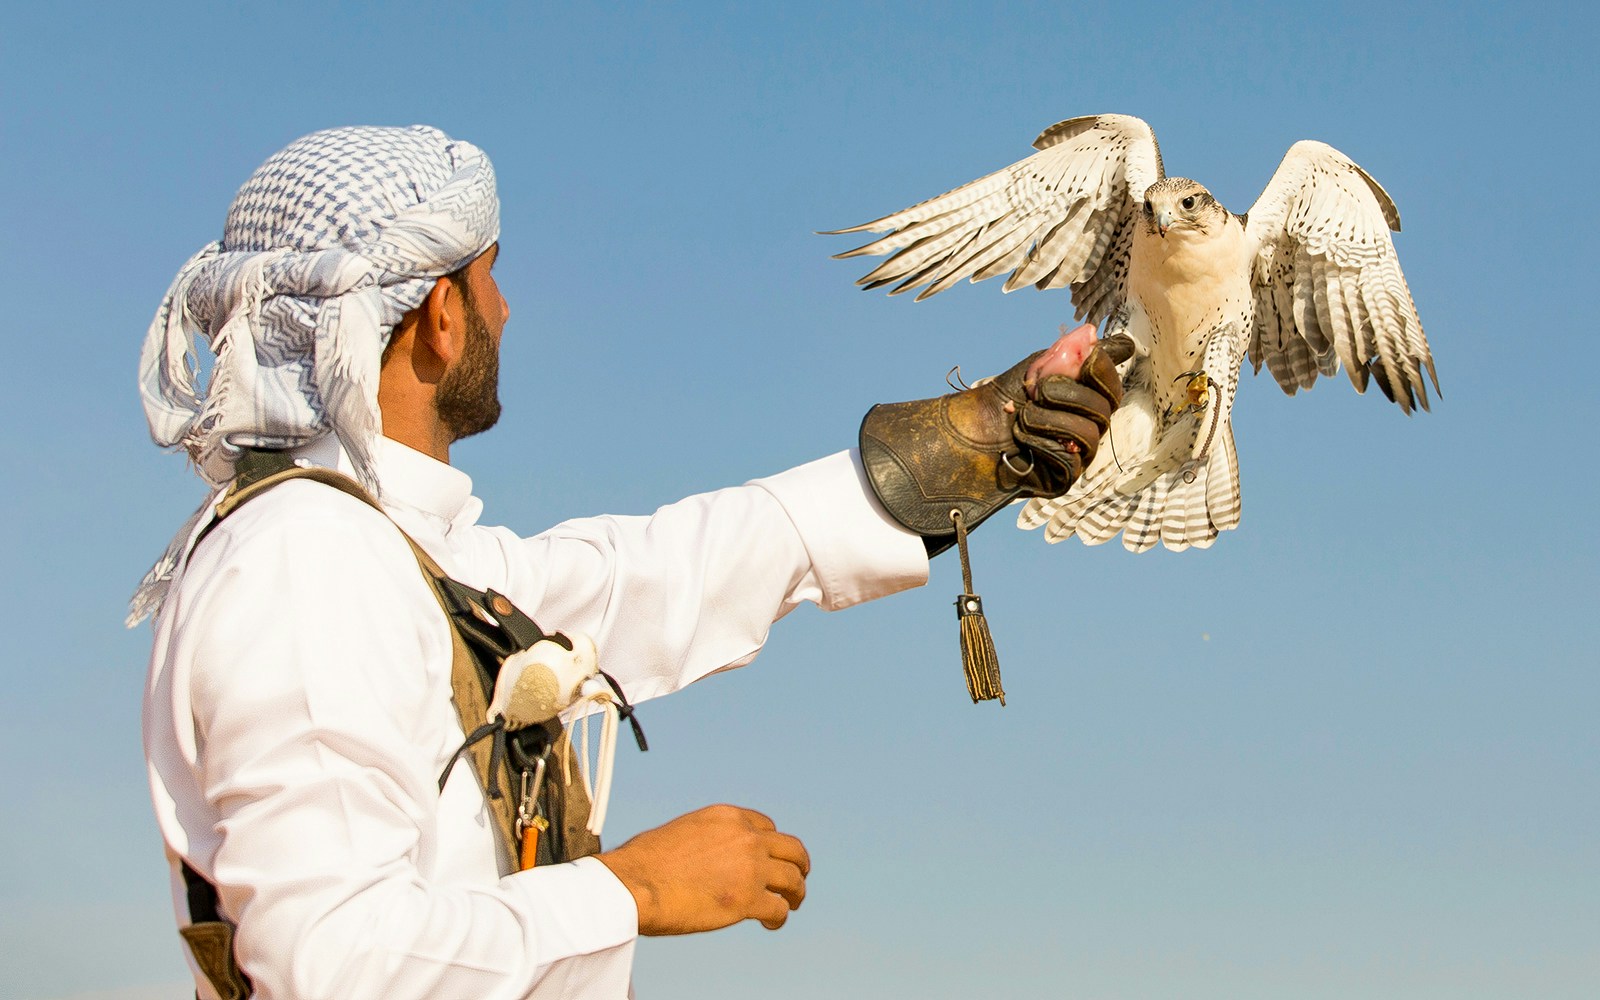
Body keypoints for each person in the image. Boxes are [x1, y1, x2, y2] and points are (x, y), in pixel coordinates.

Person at [133, 125, 1127, 1000]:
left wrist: (978, 442)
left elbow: (647, 574)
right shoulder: (300, 564)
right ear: (439, 314)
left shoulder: (386, 552)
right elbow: (334, 967)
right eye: (490, 277)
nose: (507, 310)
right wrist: (632, 887)